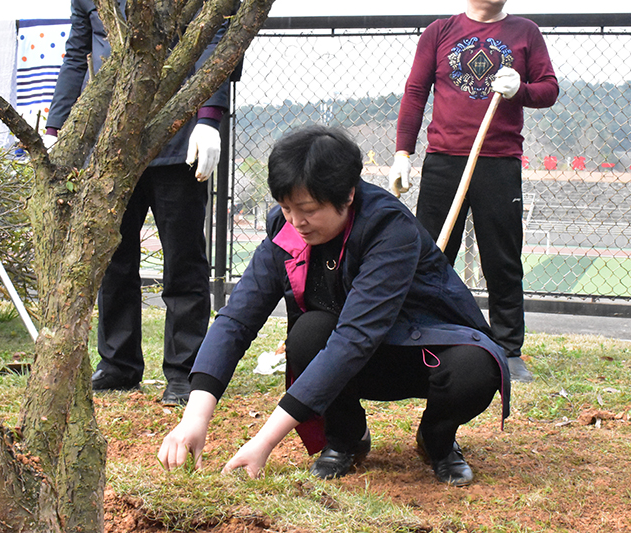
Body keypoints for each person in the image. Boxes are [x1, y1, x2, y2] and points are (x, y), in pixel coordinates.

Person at [158, 126, 510, 486]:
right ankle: (345, 439)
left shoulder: (389, 228)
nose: (297, 222)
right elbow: (237, 319)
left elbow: (356, 336)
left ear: (348, 195)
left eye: (308, 209)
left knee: (475, 368)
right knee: (308, 334)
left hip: (421, 349)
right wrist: (194, 418)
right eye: (286, 207)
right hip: (355, 360)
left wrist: (264, 442)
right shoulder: (286, 229)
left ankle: (438, 438)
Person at [45, 0, 233, 405]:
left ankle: (185, 370)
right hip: (109, 142)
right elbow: (78, 52)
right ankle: (117, 364)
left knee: (183, 259)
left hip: (179, 138)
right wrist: (59, 127)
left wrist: (209, 115)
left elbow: (214, 41)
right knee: (112, 257)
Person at [388, 0, 559, 383]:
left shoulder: (525, 32)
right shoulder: (439, 32)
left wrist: (521, 90)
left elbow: (549, 89)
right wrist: (403, 153)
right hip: (444, 160)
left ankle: (508, 348)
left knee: (501, 256)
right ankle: (424, 335)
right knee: (431, 253)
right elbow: (415, 92)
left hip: (498, 160)